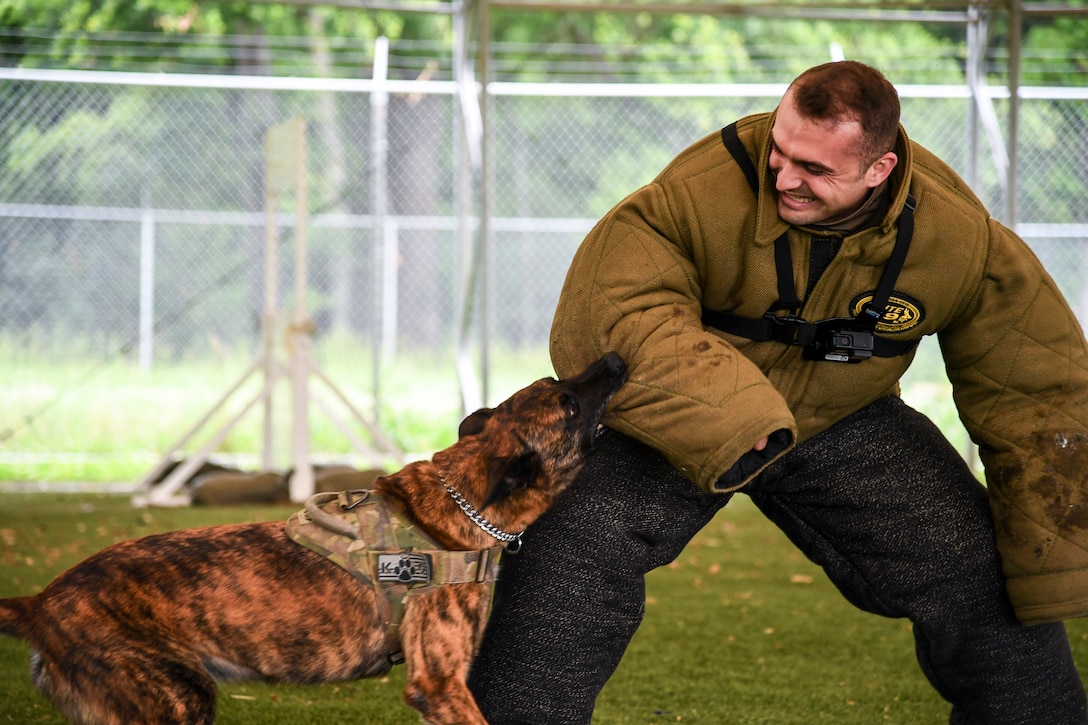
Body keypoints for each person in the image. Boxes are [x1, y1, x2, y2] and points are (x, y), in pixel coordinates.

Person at [467, 60, 1088, 723]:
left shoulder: (957, 237)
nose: (785, 177)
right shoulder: (698, 190)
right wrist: (735, 413)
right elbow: (615, 312)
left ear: (878, 169)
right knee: (571, 542)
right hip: (687, 418)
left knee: (978, 564)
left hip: (844, 417)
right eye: (780, 151)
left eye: (814, 169)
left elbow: (1037, 386)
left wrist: (1058, 542)